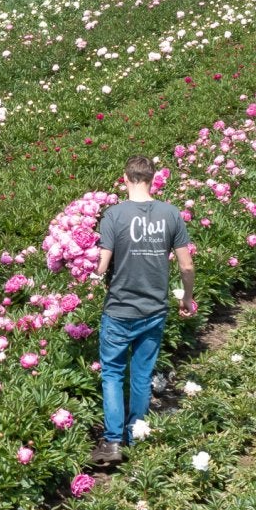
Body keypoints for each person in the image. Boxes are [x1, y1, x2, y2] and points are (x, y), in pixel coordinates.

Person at [89, 155, 195, 465]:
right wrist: (187, 298)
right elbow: (186, 265)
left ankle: (111, 442)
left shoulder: (113, 215)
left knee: (112, 373)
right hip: (154, 308)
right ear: (152, 179)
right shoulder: (171, 214)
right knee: (142, 373)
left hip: (119, 309)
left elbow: (101, 268)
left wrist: (80, 263)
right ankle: (135, 432)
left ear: (125, 178)